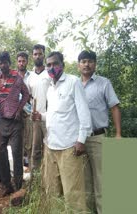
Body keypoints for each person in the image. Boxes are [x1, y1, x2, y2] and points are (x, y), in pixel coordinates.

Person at [32, 51, 92, 212]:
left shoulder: (73, 82)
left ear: (62, 65)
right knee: (52, 191)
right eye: (49, 65)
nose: (52, 67)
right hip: (51, 146)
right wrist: (41, 116)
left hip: (69, 148)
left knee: (74, 194)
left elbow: (84, 114)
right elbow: (55, 115)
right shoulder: (50, 88)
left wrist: (81, 140)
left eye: (55, 64)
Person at [78, 50, 121, 214]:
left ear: (95, 64)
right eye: (83, 61)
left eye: (89, 61)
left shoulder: (104, 83)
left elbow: (115, 107)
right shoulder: (75, 84)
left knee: (102, 181)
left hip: (98, 138)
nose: (86, 64)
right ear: (78, 65)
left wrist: (118, 134)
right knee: (85, 183)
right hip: (80, 140)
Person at [0, 51, 29, 196]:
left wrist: (19, 109)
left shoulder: (17, 77)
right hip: (2, 120)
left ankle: (19, 186)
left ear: (9, 63)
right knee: (0, 152)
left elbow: (26, 94)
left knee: (16, 152)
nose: (3, 65)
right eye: (1, 63)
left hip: (15, 121)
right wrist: (4, 106)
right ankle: (7, 185)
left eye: (5, 62)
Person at [26, 44, 50, 171]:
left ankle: (49, 179)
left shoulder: (49, 74)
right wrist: (31, 112)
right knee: (35, 151)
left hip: (50, 118)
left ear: (44, 55)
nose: (38, 56)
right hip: (35, 119)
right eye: (35, 54)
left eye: (40, 54)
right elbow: (28, 97)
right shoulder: (30, 77)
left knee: (50, 149)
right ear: (32, 56)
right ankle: (34, 180)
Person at [16, 51, 33, 170]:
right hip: (16, 115)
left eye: (23, 61)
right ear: (17, 62)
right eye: (19, 61)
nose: (21, 63)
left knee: (29, 142)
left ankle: (31, 170)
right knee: (17, 143)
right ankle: (19, 170)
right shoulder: (13, 76)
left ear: (27, 61)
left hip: (28, 114)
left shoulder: (32, 76)